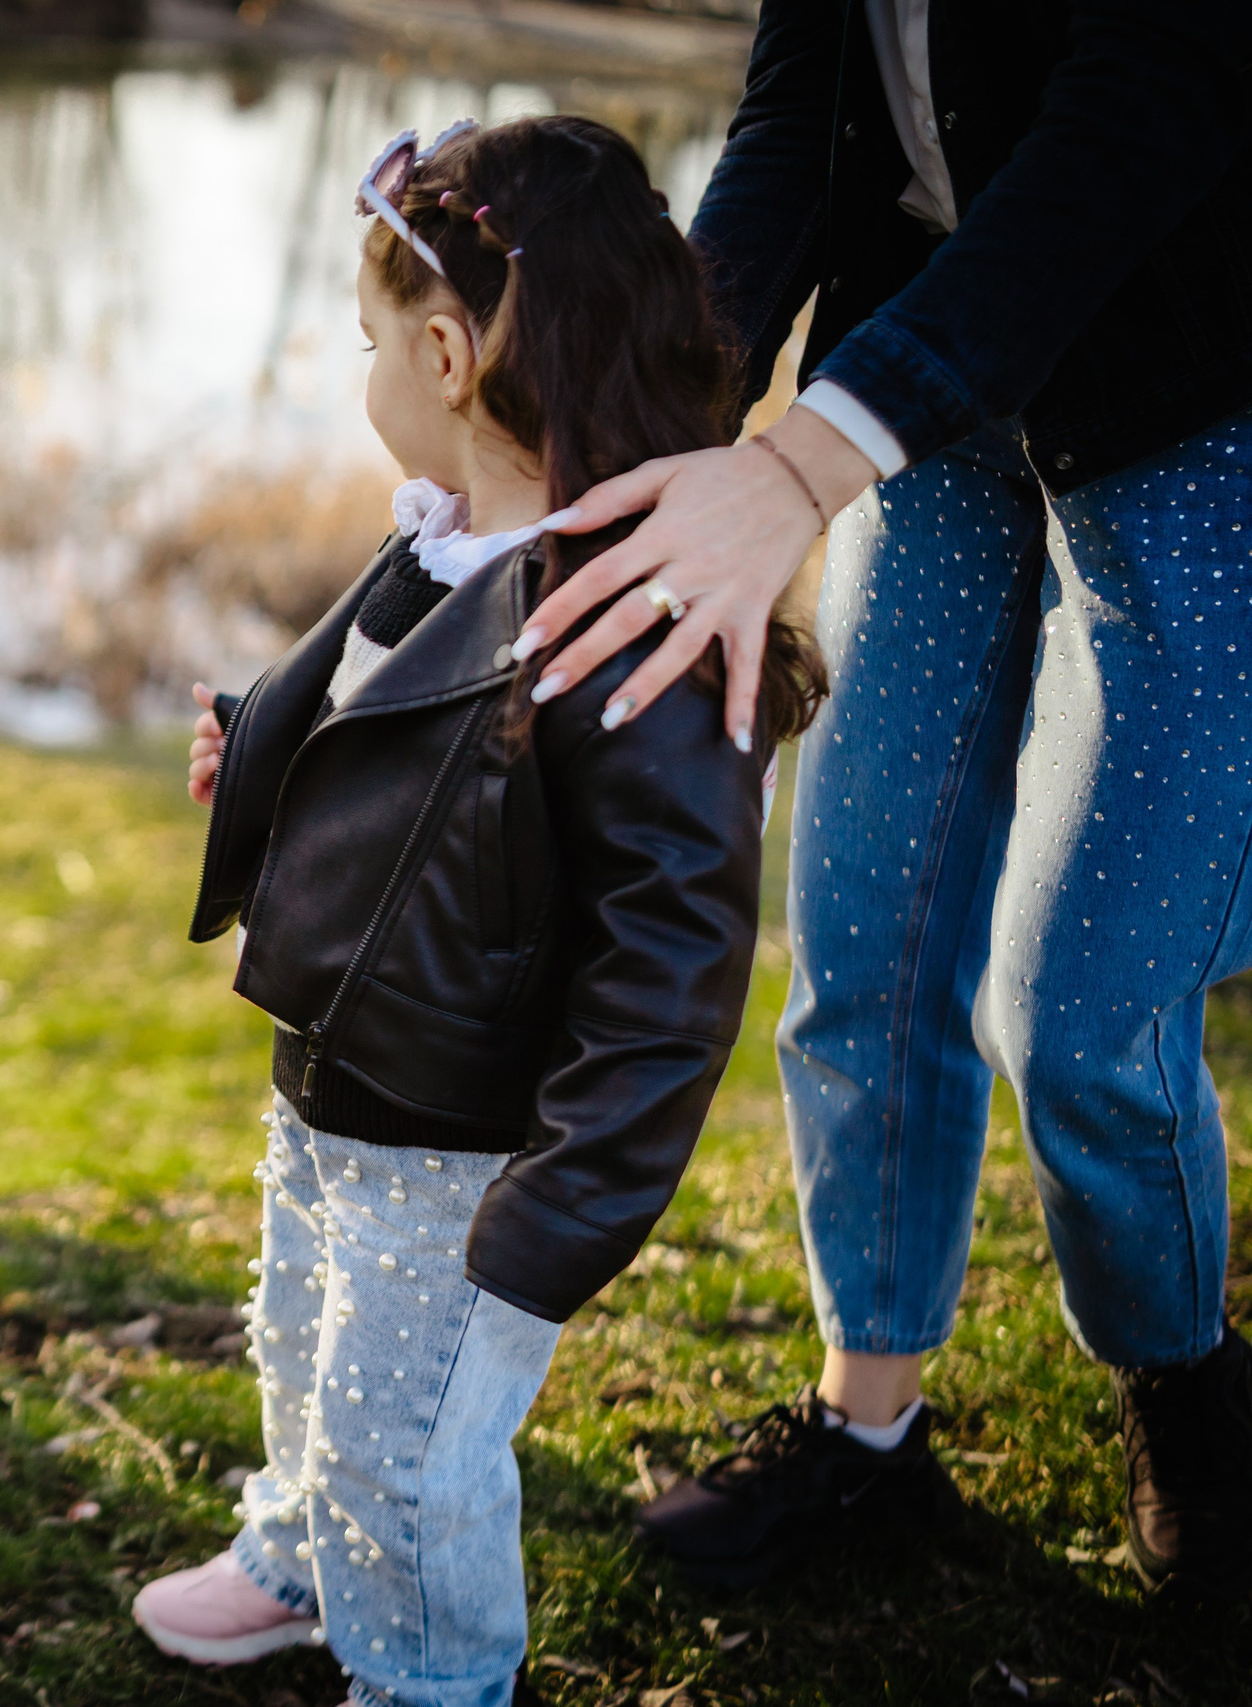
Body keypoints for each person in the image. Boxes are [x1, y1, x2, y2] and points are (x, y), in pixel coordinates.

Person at [501, 2, 1252, 1597]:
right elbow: (798, 125)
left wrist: (792, 470)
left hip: (1198, 396)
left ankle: (1185, 1389)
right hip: (927, 388)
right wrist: (643, 419)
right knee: (864, 936)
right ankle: (870, 1434)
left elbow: (1131, 124)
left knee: (1082, 1021)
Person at [128, 115, 824, 1707]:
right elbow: (396, 732)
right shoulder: (444, 548)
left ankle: (434, 1677)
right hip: (334, 1083)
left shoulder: (629, 621)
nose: (360, 371)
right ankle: (302, 1555)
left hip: (465, 1157)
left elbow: (673, 958)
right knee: (303, 1350)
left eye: (367, 342)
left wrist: (562, 1214)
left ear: (446, 355)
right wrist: (263, 748)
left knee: (410, 1447)